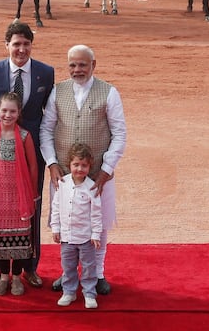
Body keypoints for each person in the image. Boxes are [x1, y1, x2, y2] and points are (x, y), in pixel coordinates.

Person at [40, 44, 127, 296]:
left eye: (82, 65)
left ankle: (97, 273)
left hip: (98, 174)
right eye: (73, 65)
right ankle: (69, 274)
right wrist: (52, 163)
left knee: (97, 225)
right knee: (67, 222)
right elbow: (46, 130)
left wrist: (107, 169)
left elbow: (120, 134)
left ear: (93, 65)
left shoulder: (109, 93)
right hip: (64, 176)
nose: (77, 70)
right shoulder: (58, 92)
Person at [0, 21, 55, 290]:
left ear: (31, 45)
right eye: (16, 44)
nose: (21, 49)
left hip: (31, 154)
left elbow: (51, 112)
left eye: (26, 44)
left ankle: (29, 268)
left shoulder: (46, 72)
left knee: (29, 210)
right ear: (7, 44)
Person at [0, 92, 39, 296]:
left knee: (21, 238)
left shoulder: (25, 136)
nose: (7, 115)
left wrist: (31, 196)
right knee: (2, 240)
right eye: (4, 110)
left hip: (20, 197)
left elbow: (33, 167)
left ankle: (16, 278)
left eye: (12, 111)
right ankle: (3, 277)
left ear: (19, 112)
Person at [51, 142, 102, 309]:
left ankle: (89, 293)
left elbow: (96, 213)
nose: (80, 169)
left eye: (84, 165)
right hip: (67, 237)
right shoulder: (63, 184)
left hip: (85, 238)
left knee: (88, 267)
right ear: (69, 164)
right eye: (76, 165)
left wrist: (95, 234)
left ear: (89, 166)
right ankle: (69, 292)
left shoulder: (92, 188)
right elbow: (56, 207)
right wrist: (56, 228)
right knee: (68, 266)